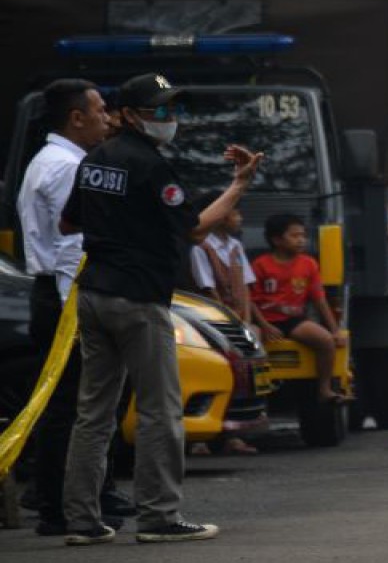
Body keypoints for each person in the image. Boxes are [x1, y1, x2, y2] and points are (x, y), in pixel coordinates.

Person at [60, 72, 263, 545]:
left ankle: (83, 520)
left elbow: (69, 221)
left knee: (93, 413)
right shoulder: (151, 166)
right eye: (159, 110)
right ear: (128, 114)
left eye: (173, 108)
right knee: (160, 410)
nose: (169, 118)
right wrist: (238, 186)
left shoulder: (94, 159)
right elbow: (194, 229)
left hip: (92, 295)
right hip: (138, 300)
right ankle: (158, 516)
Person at [17, 78, 126, 536]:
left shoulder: (65, 160)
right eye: (100, 110)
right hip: (66, 297)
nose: (108, 118)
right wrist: (74, 314)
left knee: (83, 403)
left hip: (64, 294)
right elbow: (71, 245)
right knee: (72, 407)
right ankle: (57, 506)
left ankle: (82, 494)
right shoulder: (64, 167)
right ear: (76, 117)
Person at [188, 191, 261, 455]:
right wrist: (231, 324)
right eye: (233, 211)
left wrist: (249, 323)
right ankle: (200, 439)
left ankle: (234, 433)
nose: (239, 217)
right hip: (214, 323)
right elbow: (208, 291)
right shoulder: (200, 248)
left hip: (238, 322)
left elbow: (246, 288)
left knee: (243, 378)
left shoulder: (235, 247)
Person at [250, 213, 349, 405]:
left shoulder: (309, 264)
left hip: (294, 320)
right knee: (250, 343)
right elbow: (251, 300)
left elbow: (319, 299)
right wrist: (265, 325)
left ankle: (324, 389)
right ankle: (256, 394)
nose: (301, 240)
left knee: (326, 341)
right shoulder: (260, 265)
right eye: (294, 236)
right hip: (264, 320)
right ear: (277, 240)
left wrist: (335, 330)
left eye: (303, 235)